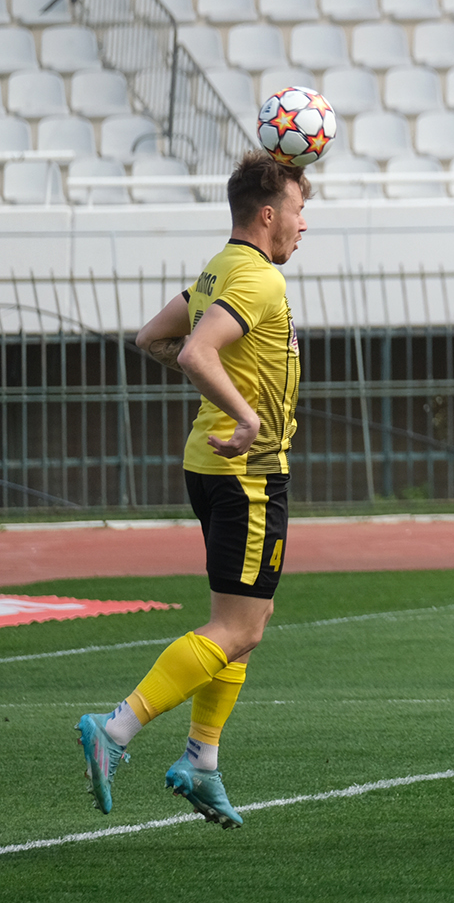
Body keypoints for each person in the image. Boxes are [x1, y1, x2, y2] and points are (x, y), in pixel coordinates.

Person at [77, 152, 310, 828]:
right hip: (246, 472)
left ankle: (202, 761)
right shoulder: (256, 280)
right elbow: (191, 351)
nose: (304, 223)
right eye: (298, 209)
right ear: (268, 216)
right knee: (235, 625)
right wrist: (244, 416)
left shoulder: (220, 269)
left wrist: (222, 400)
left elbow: (153, 335)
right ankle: (114, 730)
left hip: (212, 467)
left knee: (245, 626)